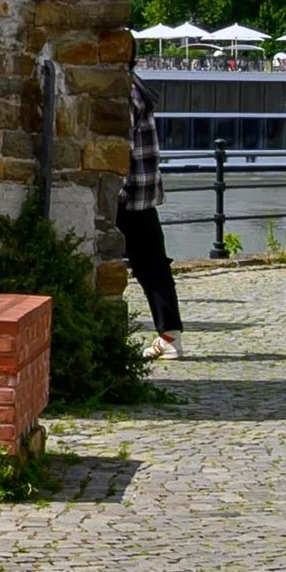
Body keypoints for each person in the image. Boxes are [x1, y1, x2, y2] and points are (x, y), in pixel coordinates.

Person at [118, 70, 181, 359]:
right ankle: (169, 337)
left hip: (126, 193)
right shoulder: (138, 88)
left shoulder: (124, 92)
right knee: (154, 265)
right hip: (144, 193)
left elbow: (120, 146)